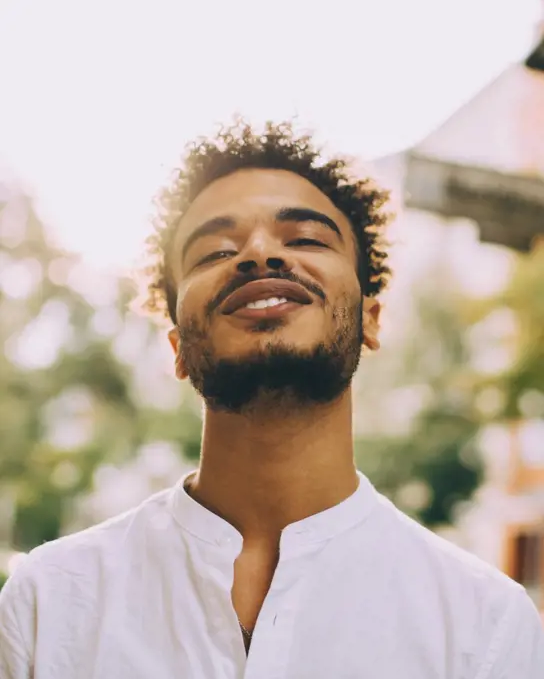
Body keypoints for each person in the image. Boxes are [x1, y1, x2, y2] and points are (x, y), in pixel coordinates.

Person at [0, 120, 542, 679]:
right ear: (178, 347)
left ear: (370, 320)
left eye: (306, 239)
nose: (258, 253)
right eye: (215, 250)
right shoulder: (49, 605)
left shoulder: (485, 629)